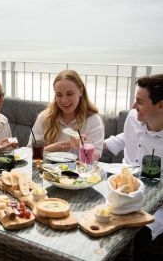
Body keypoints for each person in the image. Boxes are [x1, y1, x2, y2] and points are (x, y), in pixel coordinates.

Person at [103, 74, 163, 261]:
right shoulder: (133, 117)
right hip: (118, 187)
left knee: (138, 233)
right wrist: (98, 144)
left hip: (156, 200)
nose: (133, 106)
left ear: (160, 105)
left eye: (139, 102)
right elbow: (125, 137)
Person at [28, 69, 104, 160]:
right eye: (59, 95)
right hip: (46, 172)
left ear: (81, 91)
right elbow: (28, 153)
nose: (64, 100)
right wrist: (50, 149)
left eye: (69, 94)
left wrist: (81, 147)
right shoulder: (44, 117)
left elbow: (94, 158)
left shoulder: (93, 120)